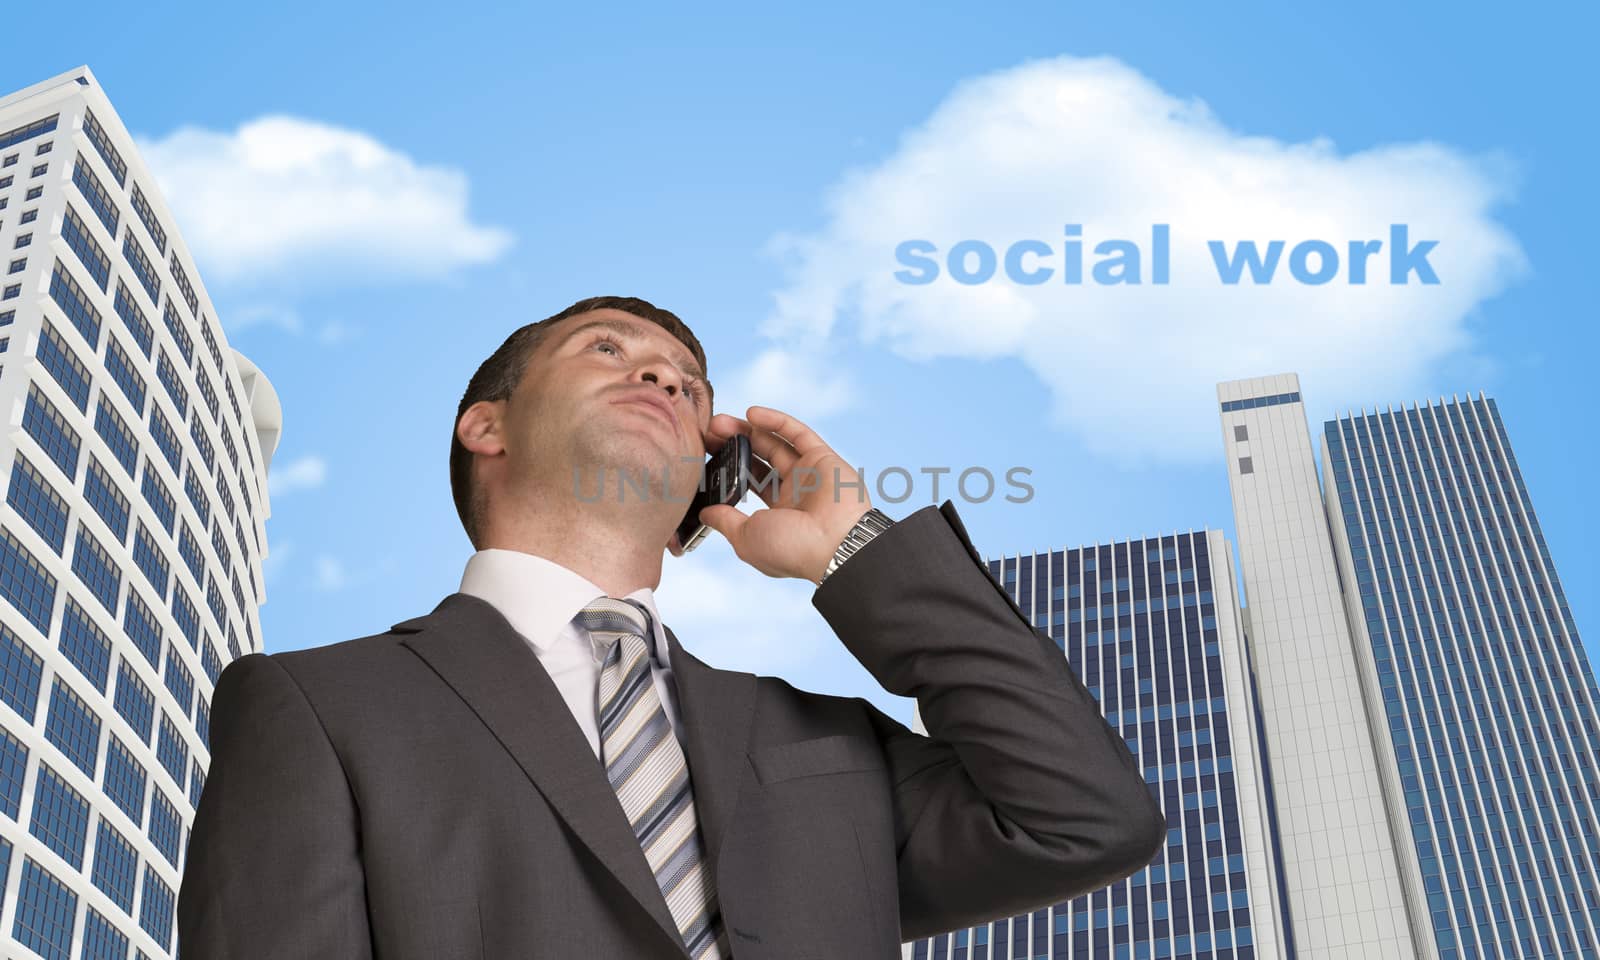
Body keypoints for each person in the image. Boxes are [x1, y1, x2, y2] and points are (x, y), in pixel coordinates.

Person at [176, 295, 1165, 958]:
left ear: (708, 477)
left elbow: (1084, 821)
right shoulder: (318, 706)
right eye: (609, 350)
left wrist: (850, 543)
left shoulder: (822, 744)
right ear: (489, 426)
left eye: (689, 385)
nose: (662, 381)